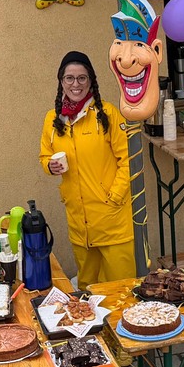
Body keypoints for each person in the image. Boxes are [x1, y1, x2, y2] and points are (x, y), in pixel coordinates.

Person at [38, 51, 134, 288]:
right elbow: (44, 156)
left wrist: (113, 197)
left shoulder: (108, 115)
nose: (76, 84)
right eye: (69, 78)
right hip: (79, 224)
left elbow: (129, 160)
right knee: (87, 290)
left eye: (82, 78)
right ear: (61, 81)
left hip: (112, 222)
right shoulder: (53, 119)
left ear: (91, 81)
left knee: (121, 290)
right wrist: (50, 165)